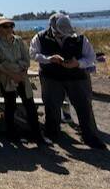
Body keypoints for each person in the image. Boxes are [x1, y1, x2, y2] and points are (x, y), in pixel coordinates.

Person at [30, 14, 106, 149]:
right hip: (51, 77)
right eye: (59, 32)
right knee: (52, 106)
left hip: (77, 77)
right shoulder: (40, 37)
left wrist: (78, 63)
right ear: (51, 27)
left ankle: (90, 137)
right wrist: (49, 59)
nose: (62, 35)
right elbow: (33, 54)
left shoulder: (81, 38)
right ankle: (52, 134)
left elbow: (91, 57)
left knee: (84, 107)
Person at [0, 17, 45, 144]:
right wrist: (12, 73)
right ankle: (11, 133)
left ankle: (36, 134)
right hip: (6, 78)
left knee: (30, 104)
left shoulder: (19, 41)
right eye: (5, 26)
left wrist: (20, 73)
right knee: (10, 105)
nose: (9, 29)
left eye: (11, 26)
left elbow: (26, 60)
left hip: (22, 77)